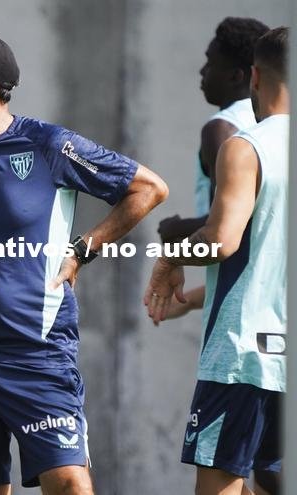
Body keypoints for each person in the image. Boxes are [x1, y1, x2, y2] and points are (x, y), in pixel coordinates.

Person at [0, 32, 168, 495]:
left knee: (70, 484)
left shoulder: (49, 145)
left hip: (37, 350)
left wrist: (84, 249)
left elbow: (149, 188)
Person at [144, 27, 288, 495]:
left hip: (244, 356)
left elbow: (222, 241)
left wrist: (172, 256)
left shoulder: (246, 145)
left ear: (255, 78)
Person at [157, 17, 269, 319]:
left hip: (238, 317)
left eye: (211, 62)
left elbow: (233, 225)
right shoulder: (272, 129)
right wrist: (192, 301)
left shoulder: (221, 129)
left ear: (237, 76)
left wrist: (175, 231)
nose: (202, 71)